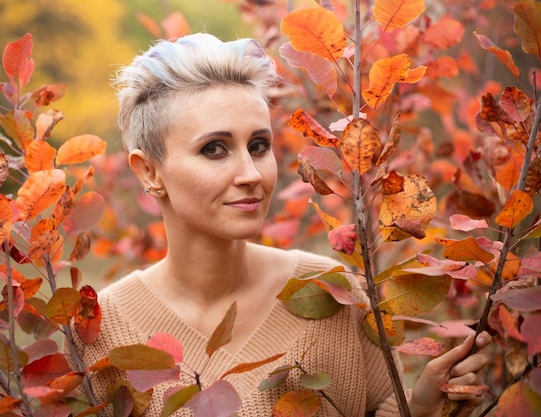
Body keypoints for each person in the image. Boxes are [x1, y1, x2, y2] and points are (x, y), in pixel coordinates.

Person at [71, 33, 491, 416]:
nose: (251, 173)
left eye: (258, 145)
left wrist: (420, 408)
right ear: (149, 172)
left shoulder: (330, 291)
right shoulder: (102, 328)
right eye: (214, 148)